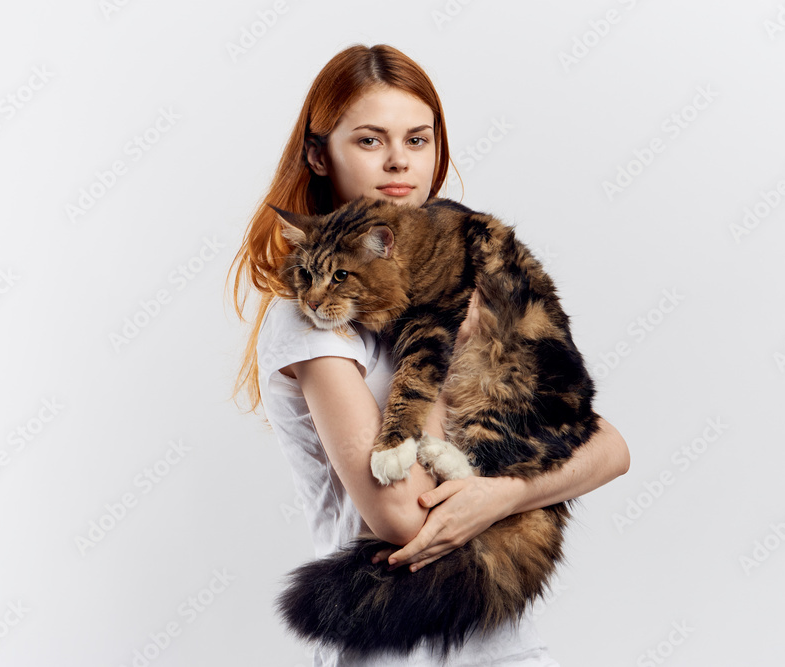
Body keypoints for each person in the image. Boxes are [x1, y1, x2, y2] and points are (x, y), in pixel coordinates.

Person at [228, 43, 630, 667]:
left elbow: (607, 448)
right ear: (319, 154)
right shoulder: (313, 321)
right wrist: (450, 347)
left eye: (418, 139)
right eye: (369, 140)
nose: (398, 161)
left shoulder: (454, 263)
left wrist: (501, 497)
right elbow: (403, 517)